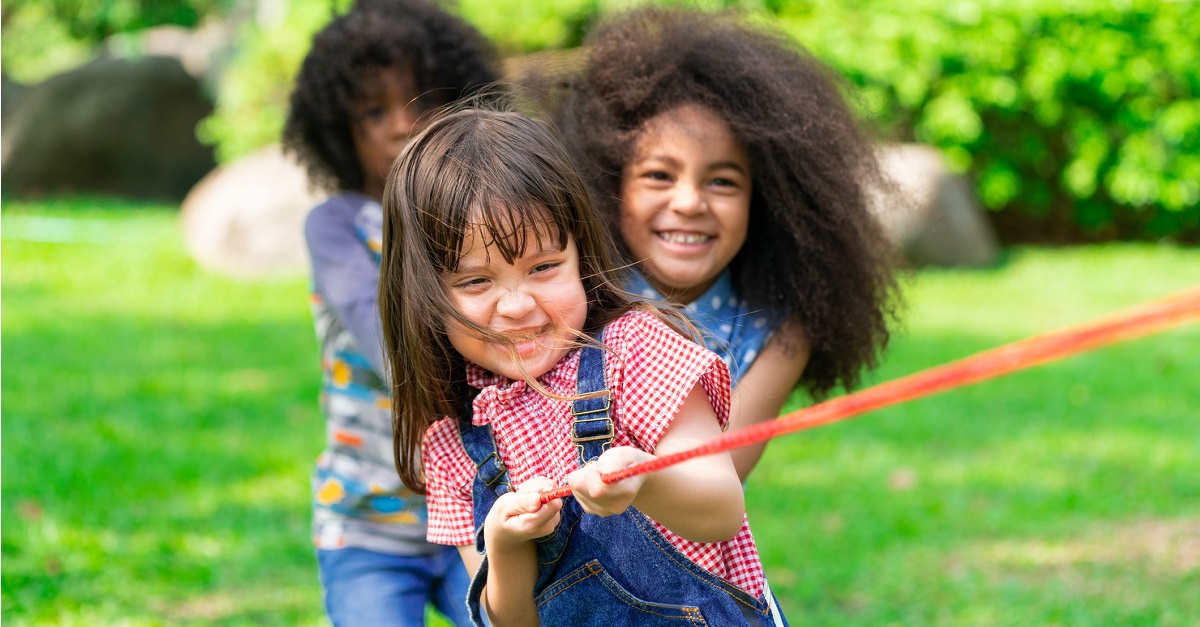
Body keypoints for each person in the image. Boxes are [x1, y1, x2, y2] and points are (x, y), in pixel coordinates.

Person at [377, 108, 789, 626]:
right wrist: (505, 546)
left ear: (581, 256)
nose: (516, 305)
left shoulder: (634, 350)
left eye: (544, 268)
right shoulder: (451, 438)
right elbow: (515, 622)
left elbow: (722, 508)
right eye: (476, 282)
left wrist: (643, 481)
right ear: (422, 296)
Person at [554, 7, 900, 480]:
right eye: (659, 175)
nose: (690, 202)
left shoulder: (780, 333)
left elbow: (719, 481)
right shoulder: (576, 291)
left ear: (769, 203)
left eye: (722, 182)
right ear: (609, 185)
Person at [280, 1, 498, 624]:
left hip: (486, 511)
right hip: (368, 523)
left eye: (422, 101)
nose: (402, 126)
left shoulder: (482, 218)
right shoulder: (338, 226)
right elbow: (381, 337)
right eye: (374, 112)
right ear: (338, 132)